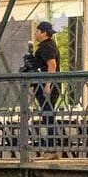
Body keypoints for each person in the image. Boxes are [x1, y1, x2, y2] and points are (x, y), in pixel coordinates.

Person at [26, 20, 61, 149]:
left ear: (44, 33)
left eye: (37, 31)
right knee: (48, 115)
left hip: (46, 86)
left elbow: (52, 66)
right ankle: (52, 145)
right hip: (45, 85)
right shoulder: (47, 46)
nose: (35, 33)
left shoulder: (47, 46)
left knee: (48, 115)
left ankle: (52, 146)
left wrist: (47, 85)